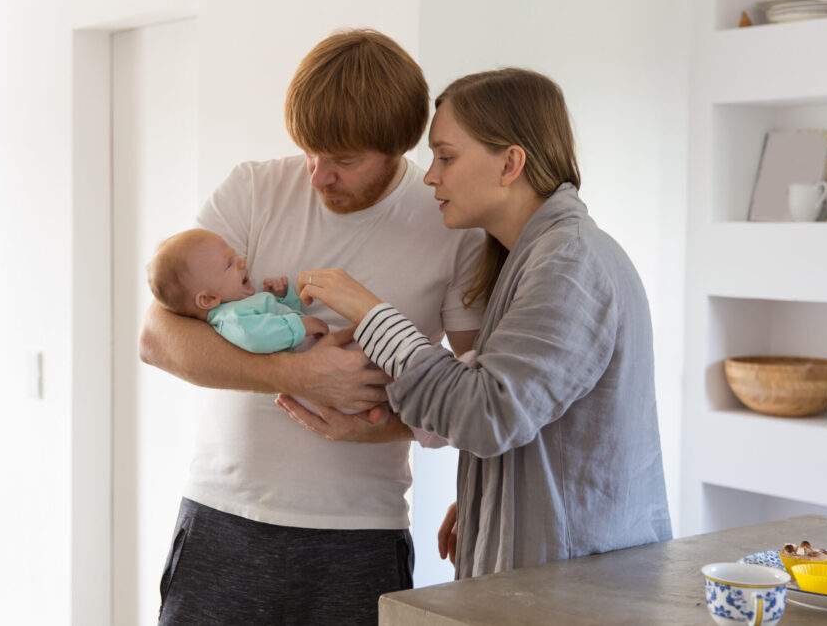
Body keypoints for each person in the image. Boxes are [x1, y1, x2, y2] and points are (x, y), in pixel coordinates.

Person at [138, 29, 484, 624]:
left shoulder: (450, 226)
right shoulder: (252, 189)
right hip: (222, 518)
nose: (318, 176)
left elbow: (480, 395)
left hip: (359, 535)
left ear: (398, 147)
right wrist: (301, 373)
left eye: (344, 161)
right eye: (309, 152)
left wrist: (374, 431)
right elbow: (158, 339)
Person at [281, 67, 673, 580]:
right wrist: (487, 496)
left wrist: (373, 315)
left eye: (446, 156)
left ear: (511, 163)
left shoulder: (569, 263)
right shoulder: (535, 258)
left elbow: (489, 413)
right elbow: (526, 409)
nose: (429, 175)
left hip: (577, 592)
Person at [147, 228, 329, 353]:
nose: (241, 261)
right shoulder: (232, 318)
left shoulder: (239, 305)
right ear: (209, 299)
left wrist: (279, 299)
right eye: (229, 264)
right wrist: (301, 326)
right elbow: (258, 338)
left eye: (234, 254)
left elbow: (279, 320)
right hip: (312, 359)